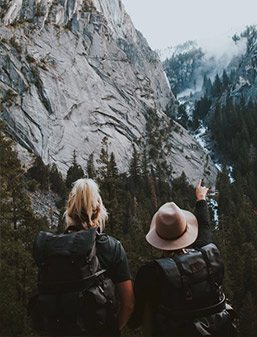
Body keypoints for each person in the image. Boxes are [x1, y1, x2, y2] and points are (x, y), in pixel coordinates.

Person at [129, 179, 236, 336]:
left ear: (158, 239)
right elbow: (204, 227)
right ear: (186, 231)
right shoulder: (204, 255)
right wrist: (201, 198)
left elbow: (135, 319)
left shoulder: (151, 273)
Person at [30, 178, 134, 336]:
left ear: (69, 211)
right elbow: (128, 304)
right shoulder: (111, 247)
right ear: (99, 211)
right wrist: (111, 330)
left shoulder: (53, 248)